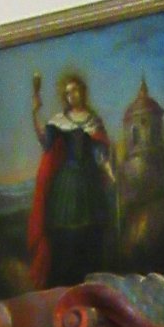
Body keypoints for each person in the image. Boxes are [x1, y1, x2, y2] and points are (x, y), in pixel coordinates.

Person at [27, 71, 114, 289]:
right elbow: (45, 143)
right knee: (65, 237)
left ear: (82, 91)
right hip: (66, 186)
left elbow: (100, 154)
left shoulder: (94, 121)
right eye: (67, 93)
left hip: (89, 184)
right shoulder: (59, 122)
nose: (71, 95)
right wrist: (35, 113)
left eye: (74, 90)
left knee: (91, 234)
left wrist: (110, 173)